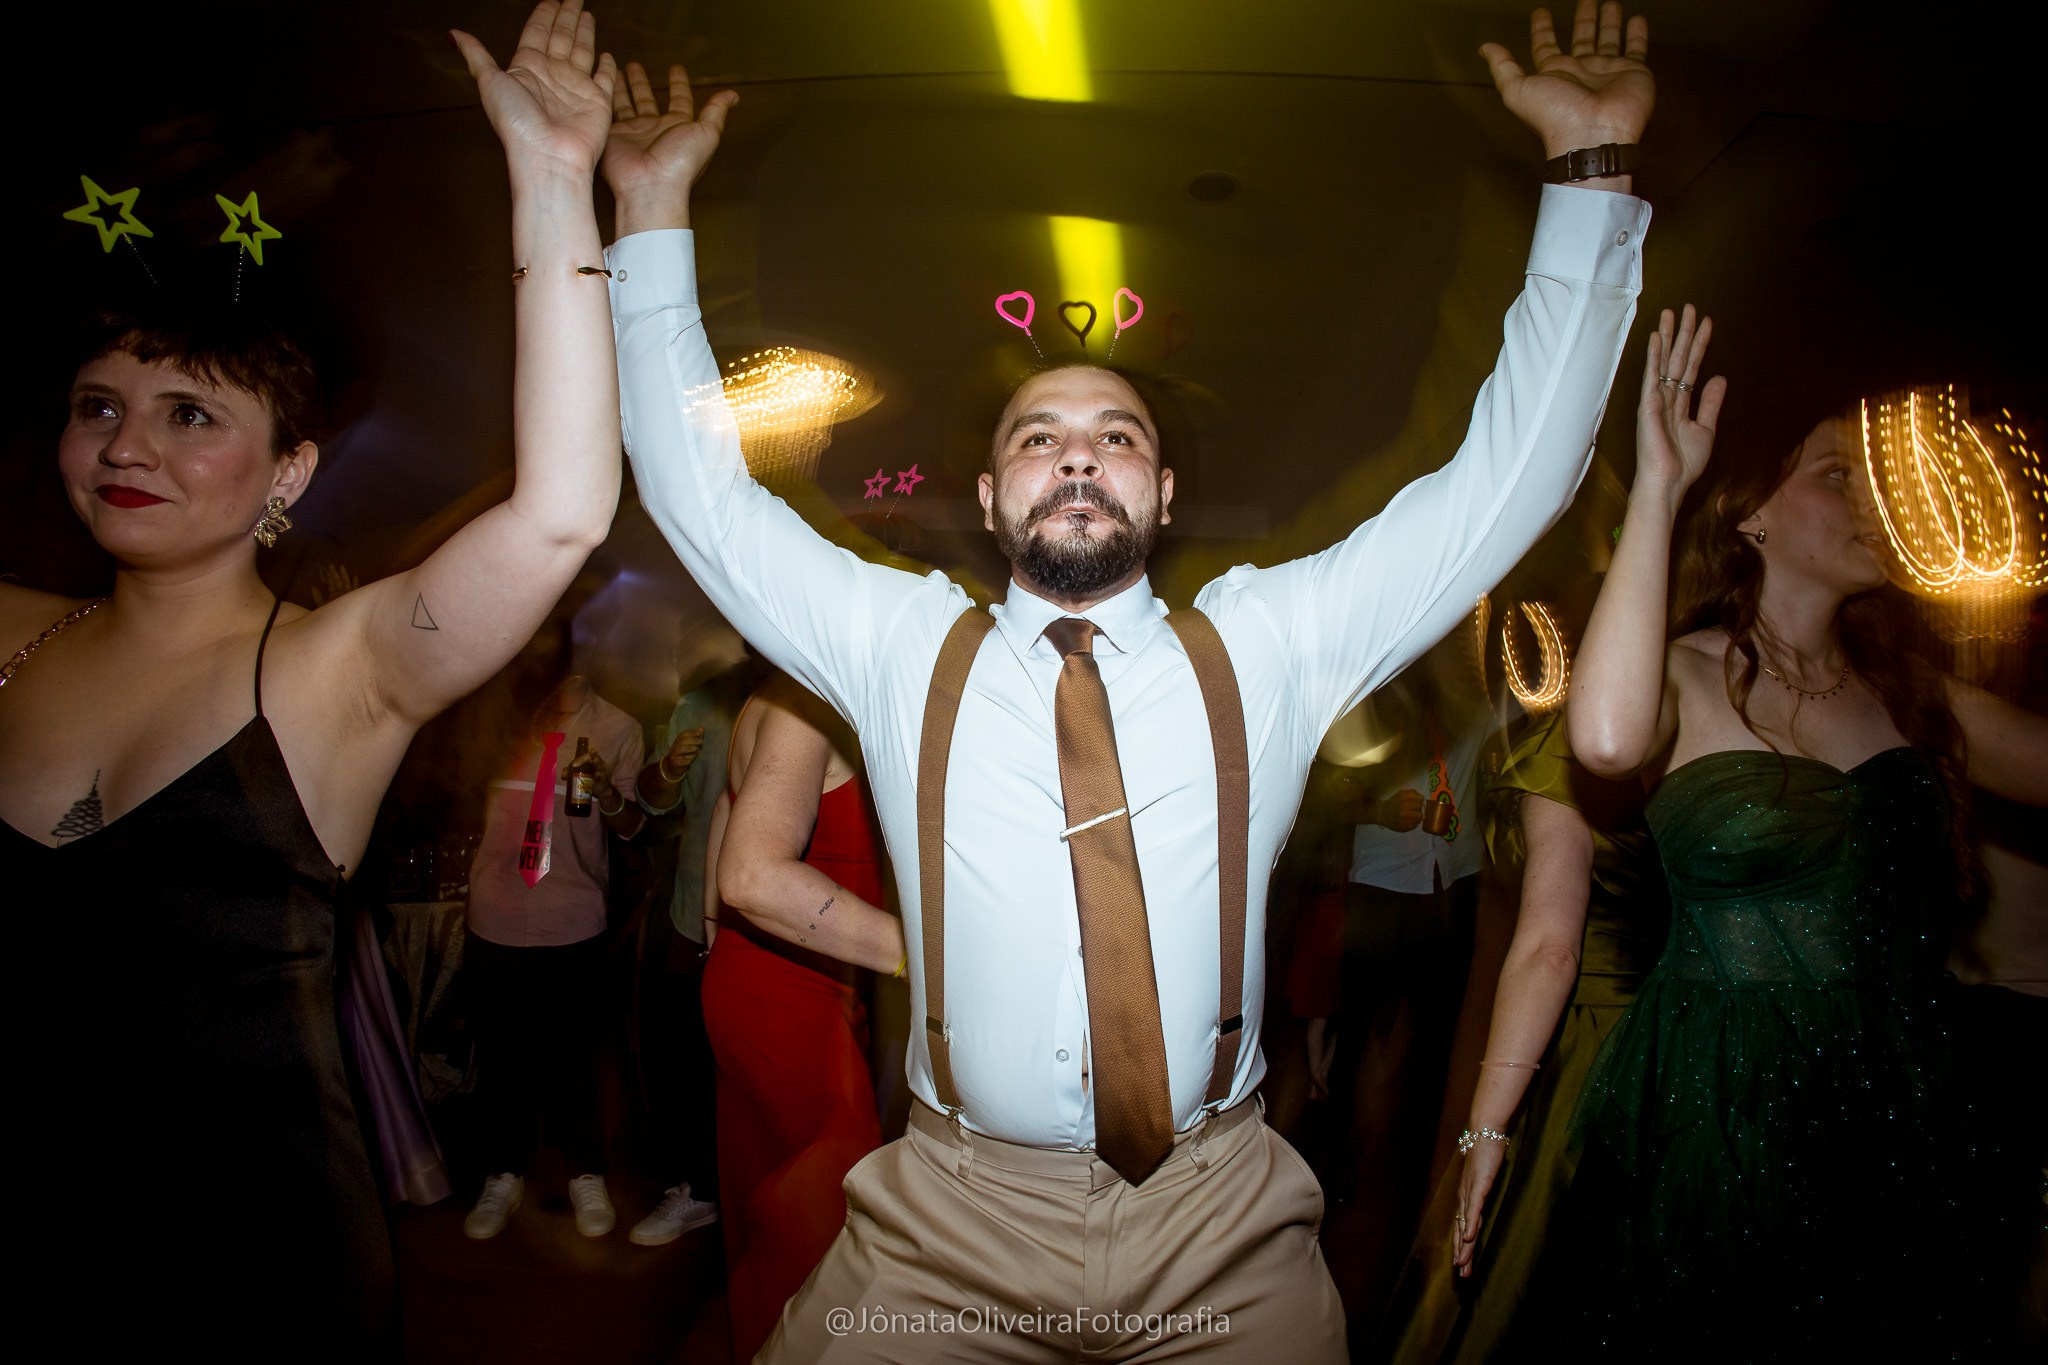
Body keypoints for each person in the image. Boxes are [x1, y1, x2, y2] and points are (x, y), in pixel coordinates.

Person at [602, 2, 1658, 1356]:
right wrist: (646, 211)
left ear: (1161, 492)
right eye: (1040, 437)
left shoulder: (1273, 639)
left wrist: (1589, 173)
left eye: (1118, 435)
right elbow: (698, 491)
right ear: (991, 497)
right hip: (950, 1215)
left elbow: (1498, 488)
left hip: (1218, 1215)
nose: (1081, 454)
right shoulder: (898, 639)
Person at [0, 3, 627, 1354]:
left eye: (190, 415)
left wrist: (552, 183)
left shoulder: (333, 672)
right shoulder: (10, 637)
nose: (128, 445)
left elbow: (562, 513)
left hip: (252, 1260)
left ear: (288, 474)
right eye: (98, 404)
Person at [1547, 304, 2048, 1356]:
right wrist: (1658, 484)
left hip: (1909, 1106)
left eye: (1880, 478)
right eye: (1834, 474)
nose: (1875, 499)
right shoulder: (1682, 672)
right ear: (1752, 516)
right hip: (1723, 1112)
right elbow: (1597, 743)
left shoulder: (1917, 699)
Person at [1379, 708, 1667, 1363]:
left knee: (1526, 1273)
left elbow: (1549, 950)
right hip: (1674, 1039)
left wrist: (1485, 1129)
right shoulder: (1684, 728)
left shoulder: (1558, 750)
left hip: (1579, 1046)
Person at [702, 672, 896, 1362]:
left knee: (773, 1205)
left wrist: (712, 944)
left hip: (760, 975)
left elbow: (728, 819)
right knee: (828, 1229)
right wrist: (924, 957)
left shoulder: (770, 701)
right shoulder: (807, 709)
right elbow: (749, 876)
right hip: (786, 993)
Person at [461, 652, 645, 1241]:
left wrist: (607, 794)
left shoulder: (620, 727)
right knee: (502, 1057)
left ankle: (585, 1173)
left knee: (576, 1060)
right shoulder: (500, 715)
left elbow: (635, 827)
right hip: (495, 912)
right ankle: (502, 1174)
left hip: (574, 915)